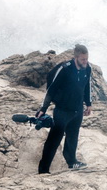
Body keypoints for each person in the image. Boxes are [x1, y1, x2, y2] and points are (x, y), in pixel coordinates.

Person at [37, 44, 92, 174]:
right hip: (62, 110)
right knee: (54, 140)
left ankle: (72, 162)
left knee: (73, 137)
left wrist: (88, 104)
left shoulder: (87, 68)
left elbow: (87, 86)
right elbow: (51, 90)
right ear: (76, 57)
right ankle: (43, 169)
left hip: (77, 109)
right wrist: (43, 108)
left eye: (87, 58)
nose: (85, 61)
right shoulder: (65, 69)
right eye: (83, 59)